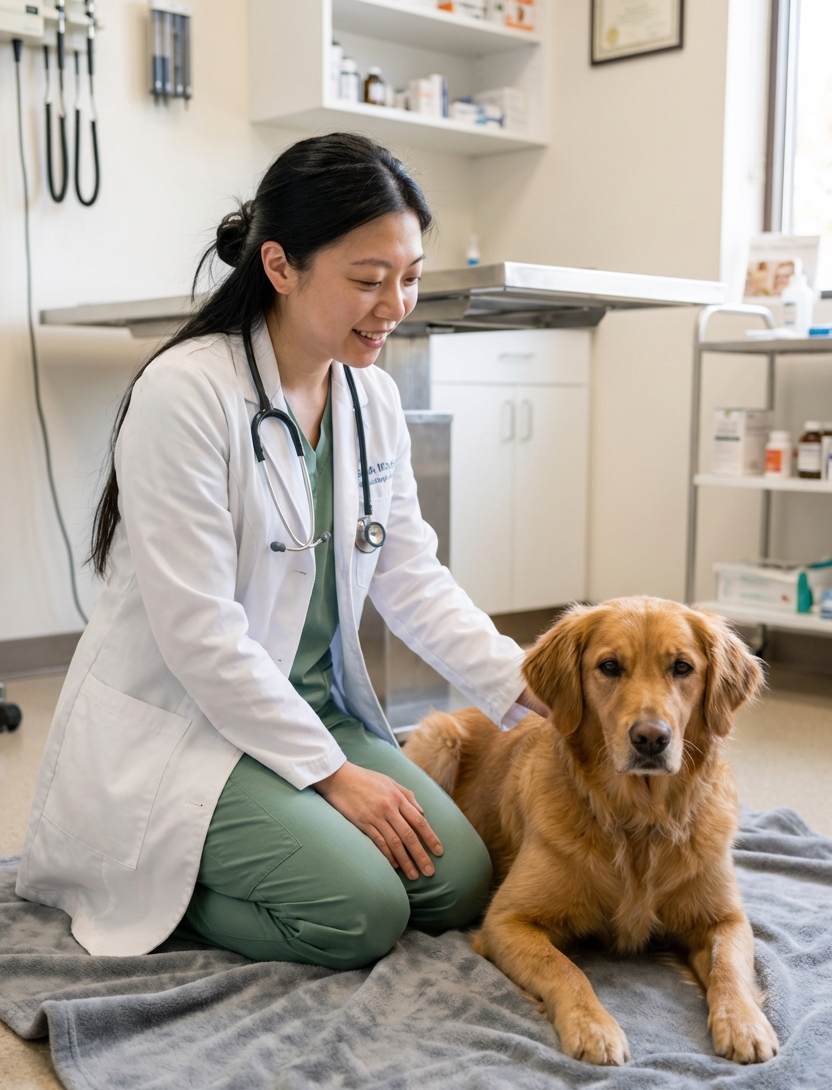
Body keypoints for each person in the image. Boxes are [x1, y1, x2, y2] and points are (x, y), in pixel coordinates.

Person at [16, 133, 544, 964]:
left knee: (461, 884)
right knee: (360, 913)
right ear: (280, 265)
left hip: (311, 707)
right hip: (189, 726)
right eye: (368, 281)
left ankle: (285, 843)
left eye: (409, 278)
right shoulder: (188, 393)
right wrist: (336, 780)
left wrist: (527, 684)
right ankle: (170, 891)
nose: (395, 305)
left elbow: (411, 576)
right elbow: (199, 634)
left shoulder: (370, 399)